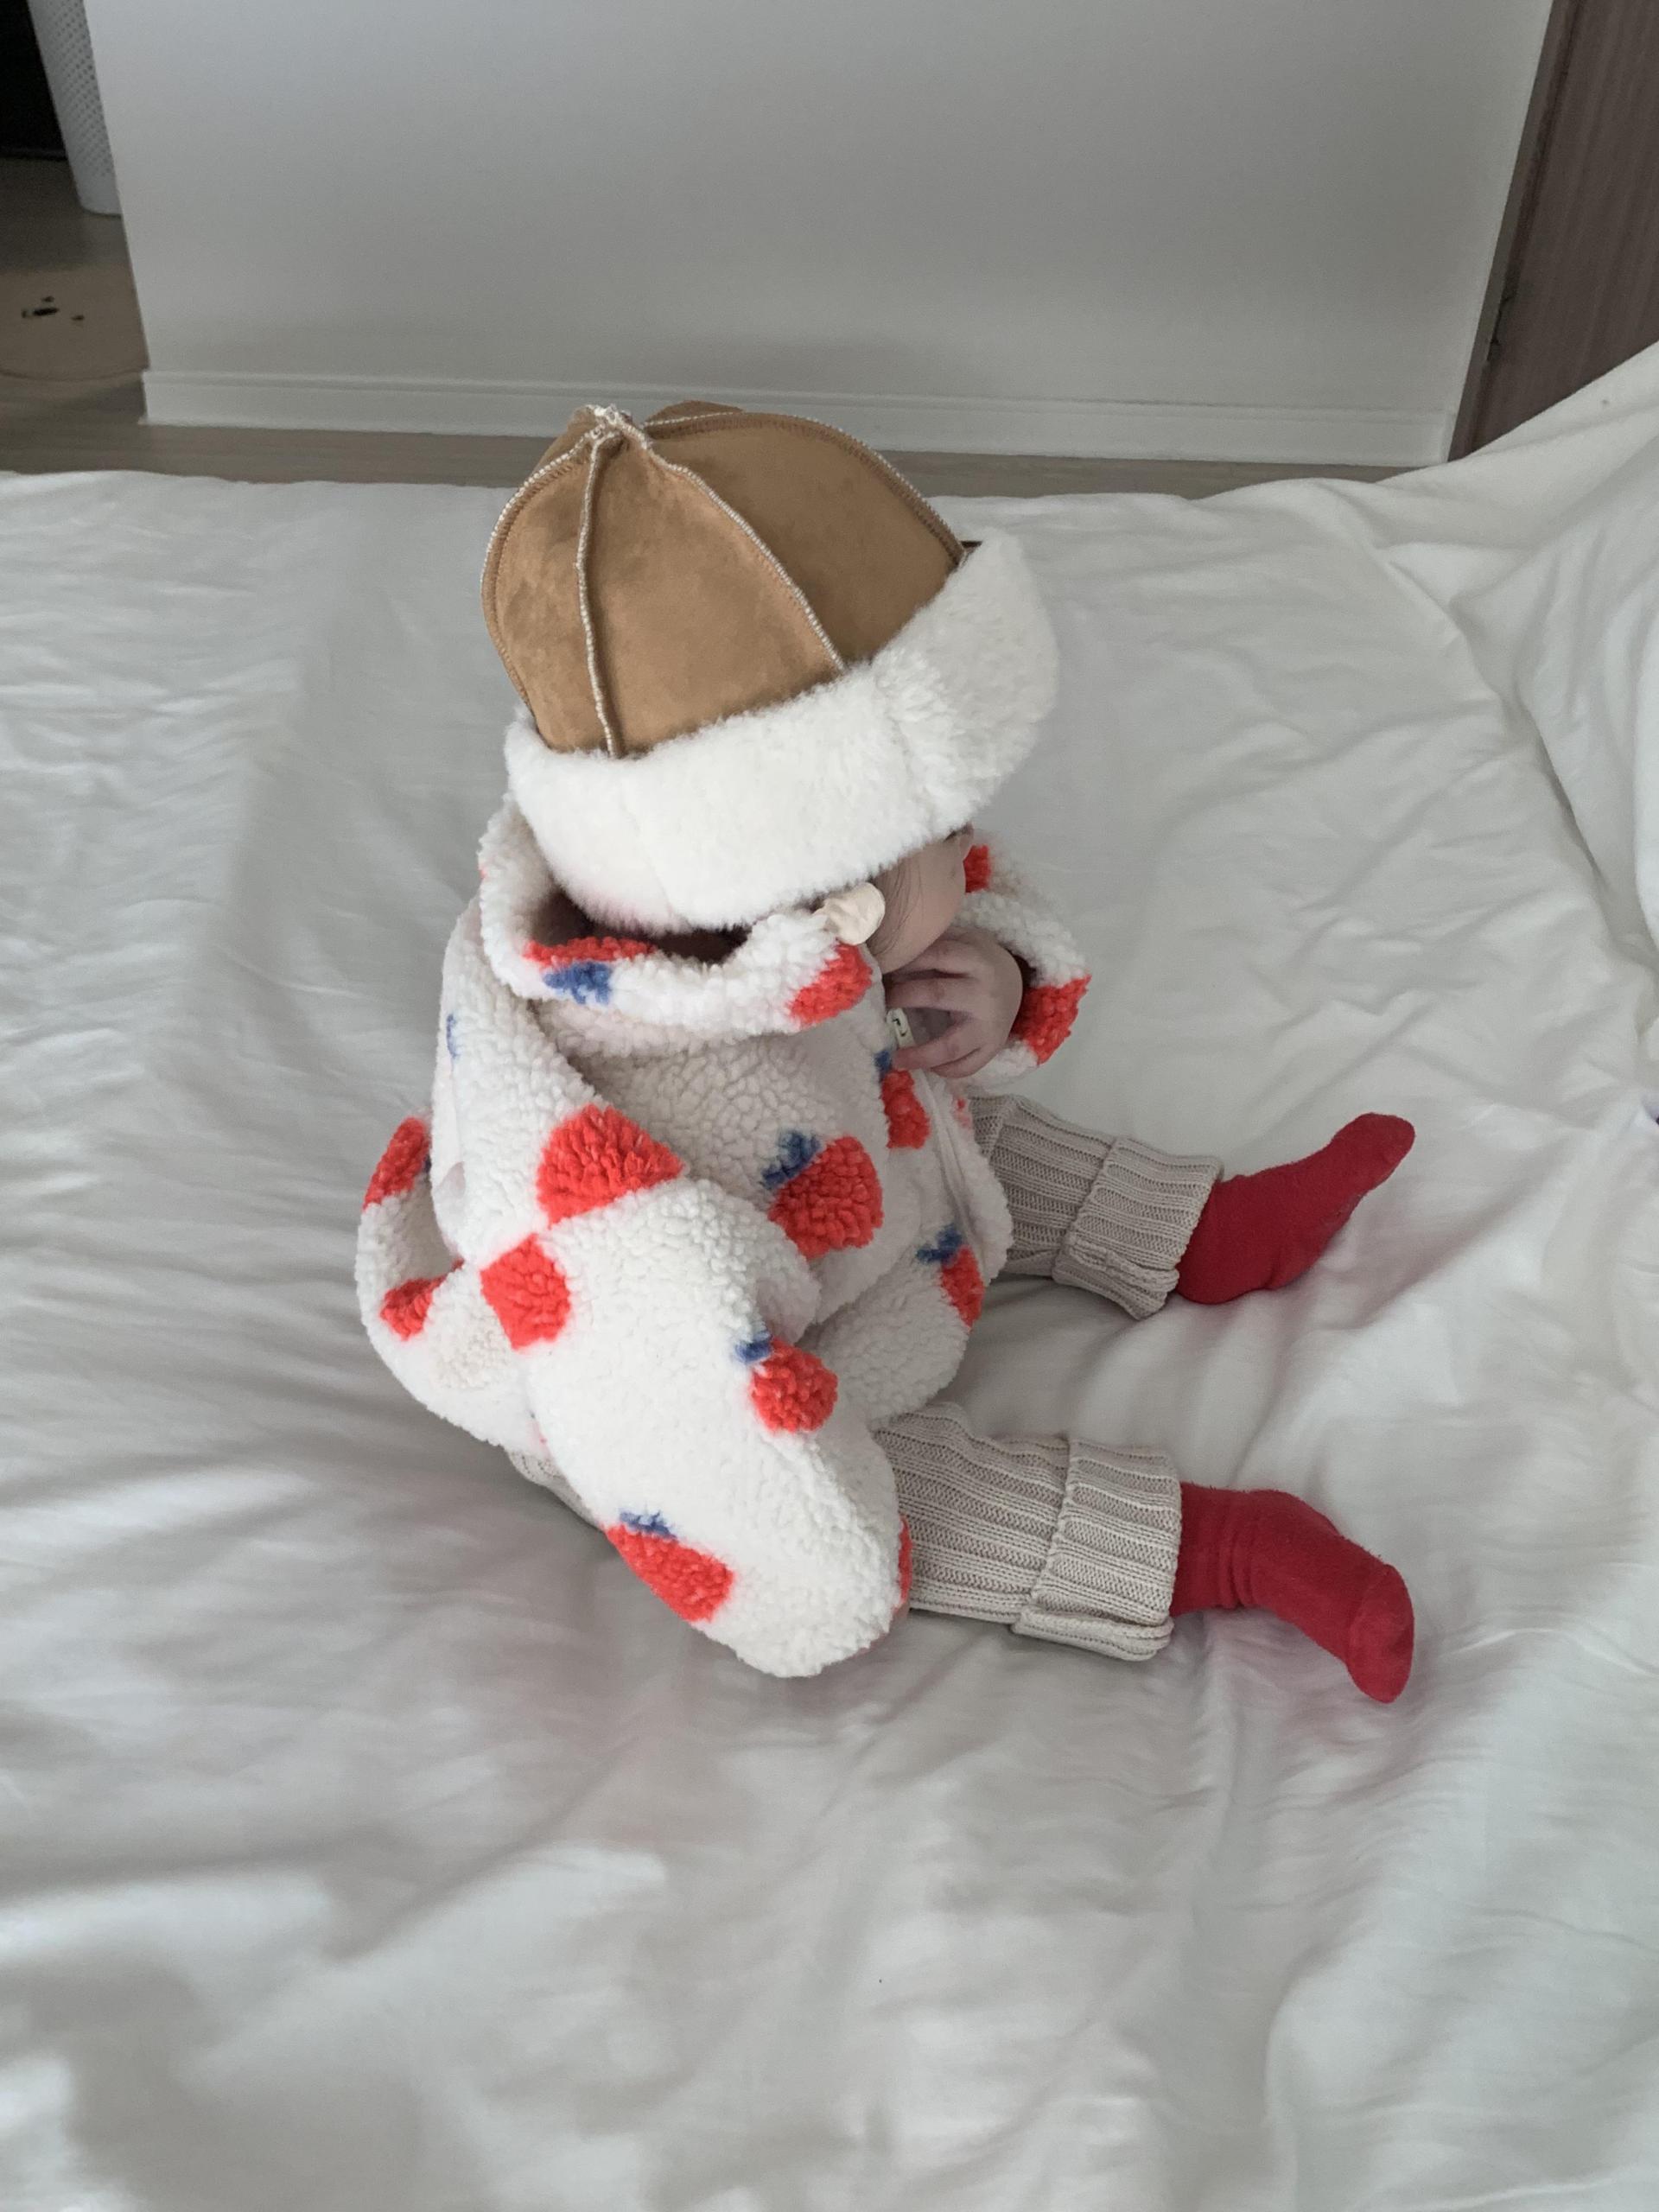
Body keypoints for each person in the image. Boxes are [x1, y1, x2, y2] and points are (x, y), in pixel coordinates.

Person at [357, 402, 1415, 1700]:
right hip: (687, 1391)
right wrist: (805, 1551)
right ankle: (1224, 1549)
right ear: (834, 899)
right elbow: (696, 1446)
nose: (974, 848)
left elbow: (927, 942)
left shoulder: (738, 910)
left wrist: (994, 980)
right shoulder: (635, 1217)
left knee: (970, 1129)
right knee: (895, 1501)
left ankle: (1204, 1230)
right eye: (944, 836)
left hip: (828, 1178)